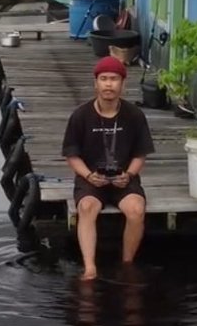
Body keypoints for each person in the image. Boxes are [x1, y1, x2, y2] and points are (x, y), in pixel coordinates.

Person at [62, 55, 155, 281]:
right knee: (87, 208)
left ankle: (126, 262)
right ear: (96, 83)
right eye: (103, 79)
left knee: (136, 209)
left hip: (124, 177)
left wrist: (130, 174)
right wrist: (88, 175)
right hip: (90, 177)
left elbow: (140, 153)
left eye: (114, 79)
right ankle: (90, 267)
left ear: (123, 84)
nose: (108, 84)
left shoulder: (134, 115)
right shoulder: (81, 116)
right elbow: (71, 155)